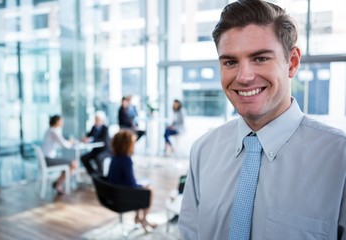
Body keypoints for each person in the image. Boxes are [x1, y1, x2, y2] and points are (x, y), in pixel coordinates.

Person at [179, 1, 346, 239]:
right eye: (230, 62)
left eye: (260, 58)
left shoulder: (339, 159)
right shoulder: (203, 151)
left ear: (293, 62)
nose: (244, 77)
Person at [107, 129, 157, 231]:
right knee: (149, 191)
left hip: (114, 193)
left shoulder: (114, 158)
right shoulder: (126, 160)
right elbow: (131, 184)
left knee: (141, 188)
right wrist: (141, 186)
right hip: (122, 196)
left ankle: (138, 217)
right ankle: (144, 220)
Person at [42, 115, 77, 194]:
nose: (63, 123)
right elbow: (65, 145)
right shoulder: (53, 131)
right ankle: (58, 184)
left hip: (47, 158)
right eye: (62, 121)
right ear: (57, 121)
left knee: (67, 164)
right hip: (48, 160)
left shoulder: (49, 130)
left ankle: (57, 183)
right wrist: (71, 142)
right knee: (73, 164)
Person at [81, 111, 112, 176]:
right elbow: (89, 135)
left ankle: (100, 175)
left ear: (102, 121)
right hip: (96, 150)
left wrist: (91, 140)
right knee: (83, 158)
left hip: (105, 151)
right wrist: (85, 138)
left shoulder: (105, 129)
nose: (96, 121)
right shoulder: (94, 127)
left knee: (98, 158)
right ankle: (93, 173)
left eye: (98, 119)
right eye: (95, 119)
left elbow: (103, 140)